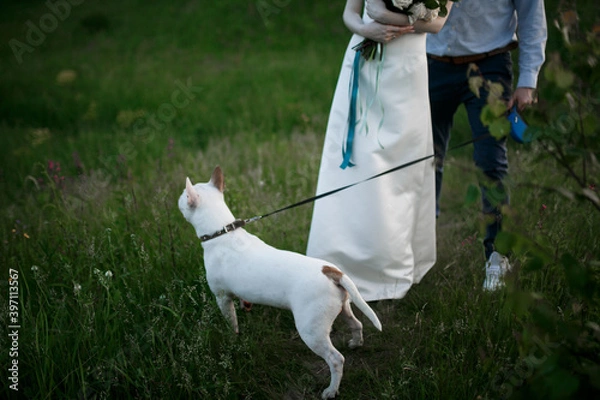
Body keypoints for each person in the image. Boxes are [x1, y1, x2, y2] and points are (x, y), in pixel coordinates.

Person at [306, 0, 453, 301]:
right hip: (364, 60)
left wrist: (393, 16)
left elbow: (438, 23)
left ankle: (389, 267)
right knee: (357, 159)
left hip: (407, 68)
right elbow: (352, 12)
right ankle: (339, 257)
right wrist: (367, 28)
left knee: (400, 165)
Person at [423, 0, 547, 290]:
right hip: (429, 63)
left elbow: (532, 17)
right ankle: (420, 250)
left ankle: (497, 256)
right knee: (426, 160)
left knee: (491, 162)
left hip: (489, 66)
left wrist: (528, 80)